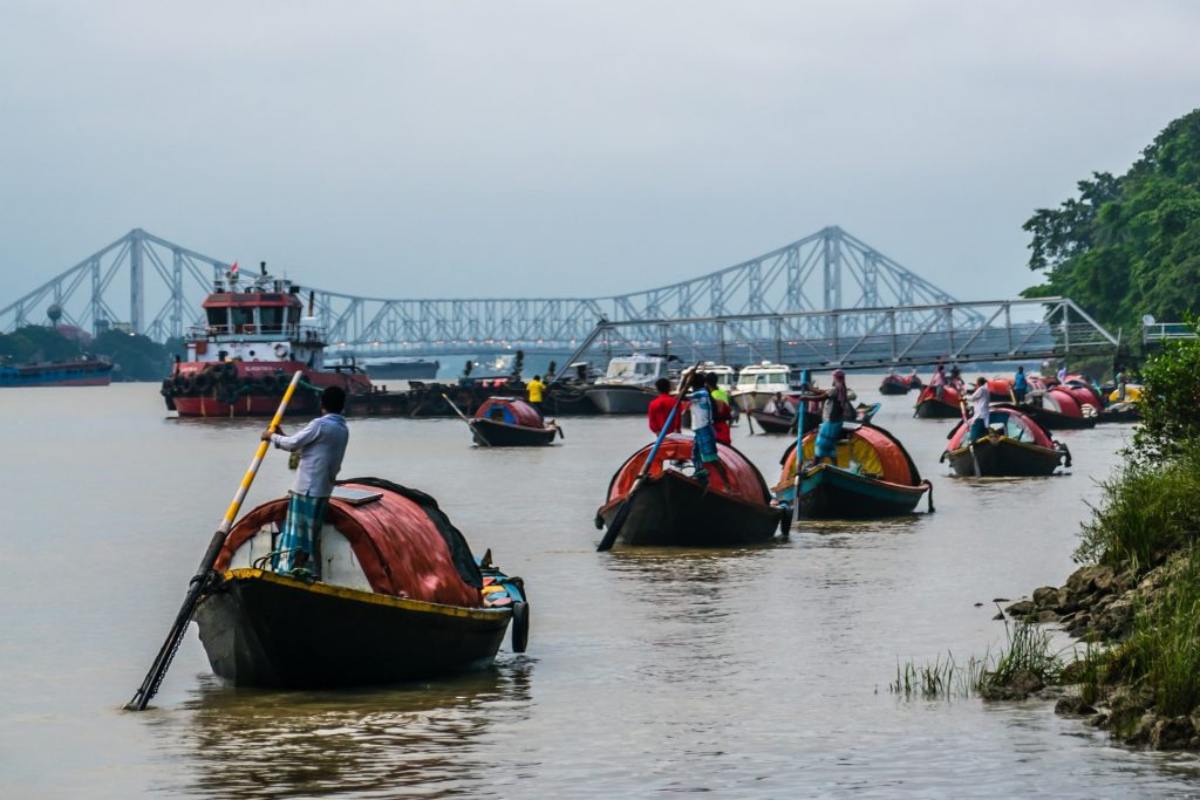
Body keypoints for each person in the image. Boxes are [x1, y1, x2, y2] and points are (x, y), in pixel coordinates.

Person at [261, 386, 350, 579]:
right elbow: (308, 451)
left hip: (307, 489)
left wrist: (271, 436)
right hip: (323, 489)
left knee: (297, 535)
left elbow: (294, 444)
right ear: (342, 406)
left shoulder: (320, 425)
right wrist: (281, 436)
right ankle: (310, 572)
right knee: (311, 536)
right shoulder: (342, 429)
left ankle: (292, 573)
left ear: (322, 404)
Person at [688, 373, 726, 485]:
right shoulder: (698, 393)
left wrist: (685, 382)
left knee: (712, 459)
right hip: (698, 429)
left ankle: (727, 484)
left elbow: (680, 397)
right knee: (695, 455)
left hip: (705, 429)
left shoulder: (701, 393)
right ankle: (700, 475)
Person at [813, 370, 854, 465]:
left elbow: (821, 397)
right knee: (830, 445)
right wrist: (811, 389)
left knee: (821, 443)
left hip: (830, 421)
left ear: (835, 378)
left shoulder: (836, 389)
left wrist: (805, 398)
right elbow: (824, 392)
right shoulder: (841, 388)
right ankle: (835, 466)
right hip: (837, 421)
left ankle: (815, 464)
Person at [706, 372, 733, 445]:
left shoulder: (711, 395)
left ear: (707, 383)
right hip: (725, 426)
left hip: (716, 426)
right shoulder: (723, 392)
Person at [966, 377, 990, 443]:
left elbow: (972, 398)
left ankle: (972, 441)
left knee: (973, 434)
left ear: (978, 383)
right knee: (984, 430)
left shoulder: (981, 389)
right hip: (984, 414)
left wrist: (965, 397)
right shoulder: (986, 389)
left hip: (979, 415)